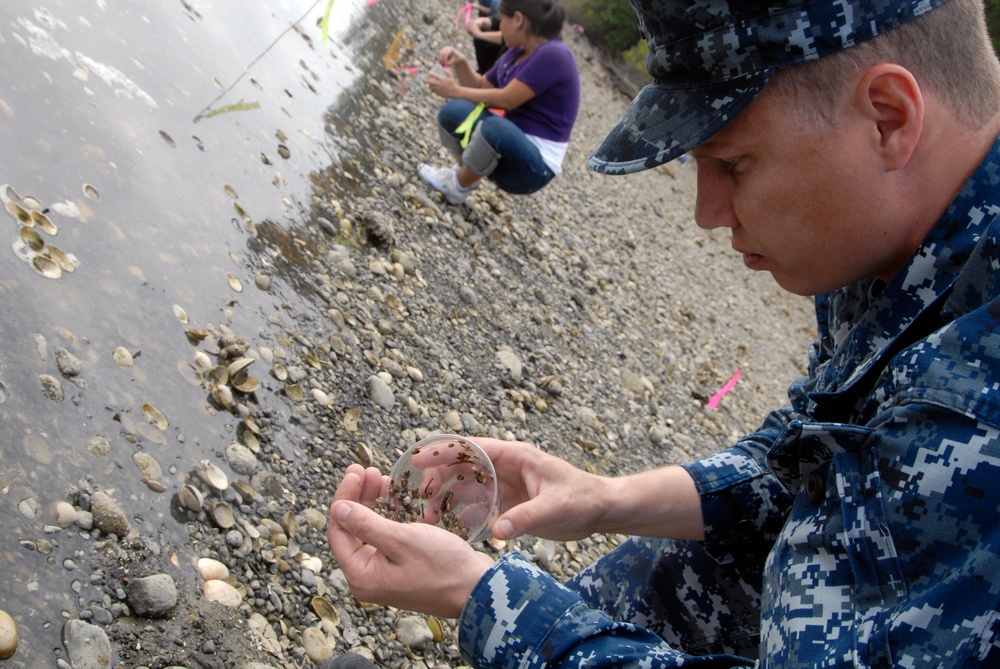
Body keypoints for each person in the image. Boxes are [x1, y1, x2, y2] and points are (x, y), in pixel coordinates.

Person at [329, 0, 1000, 666]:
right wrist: (603, 499)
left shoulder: (978, 398)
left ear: (888, 118)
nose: (707, 212)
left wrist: (482, 595)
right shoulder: (882, 240)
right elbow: (807, 452)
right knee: (648, 579)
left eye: (733, 163)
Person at [418, 0, 580, 204]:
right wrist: (460, 63)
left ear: (518, 20)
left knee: (494, 127)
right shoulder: (516, 52)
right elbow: (480, 87)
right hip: (509, 144)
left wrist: (455, 90)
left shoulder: (555, 54)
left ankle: (457, 186)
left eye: (502, 20)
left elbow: (507, 100)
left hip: (534, 167)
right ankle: (461, 175)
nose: (500, 26)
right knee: (453, 112)